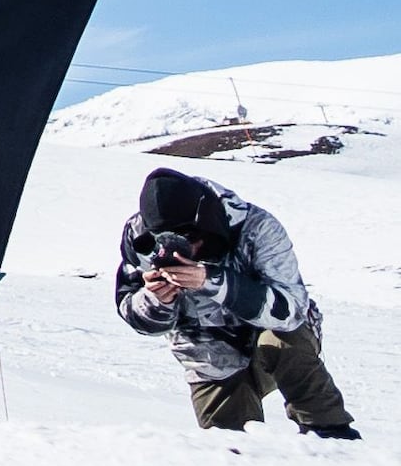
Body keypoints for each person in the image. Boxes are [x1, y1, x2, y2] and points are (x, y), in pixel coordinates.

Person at [115, 168, 358, 437]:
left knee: (283, 341)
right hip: (208, 356)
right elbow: (132, 311)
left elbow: (291, 309)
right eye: (165, 241)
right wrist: (156, 300)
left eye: (188, 240)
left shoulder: (257, 228)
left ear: (206, 222)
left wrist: (212, 281)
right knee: (231, 448)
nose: (180, 252)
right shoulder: (138, 238)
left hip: (271, 335)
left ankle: (331, 434)